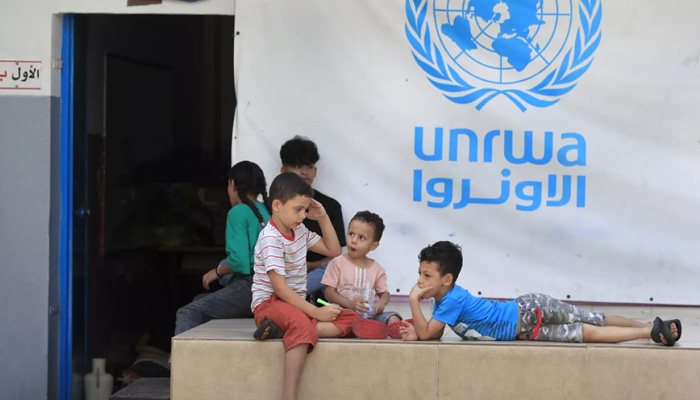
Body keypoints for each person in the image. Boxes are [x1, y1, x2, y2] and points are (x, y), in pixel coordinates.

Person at [132, 161, 271, 377]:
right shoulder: (268, 211)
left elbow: (239, 261)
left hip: (251, 289)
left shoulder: (238, 212)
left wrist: (216, 272)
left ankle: (178, 367)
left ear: (232, 184)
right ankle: (198, 365)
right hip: (270, 289)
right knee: (200, 302)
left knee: (188, 312)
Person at [399, 241, 682, 347]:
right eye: (420, 274)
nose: (420, 281)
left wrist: (413, 300)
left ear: (447, 279)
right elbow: (432, 334)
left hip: (529, 310)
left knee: (593, 319)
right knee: (589, 333)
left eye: (426, 276)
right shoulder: (444, 301)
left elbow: (426, 334)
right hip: (527, 330)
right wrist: (418, 329)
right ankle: (650, 330)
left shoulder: (452, 299)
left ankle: (648, 326)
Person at [251, 172, 359, 400]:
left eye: (305, 210)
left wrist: (323, 217)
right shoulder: (270, 238)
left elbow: (333, 250)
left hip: (294, 305)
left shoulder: (299, 231)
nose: (303, 216)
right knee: (302, 327)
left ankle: (283, 328)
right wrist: (316, 312)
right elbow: (280, 289)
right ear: (277, 205)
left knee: (350, 319)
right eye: (298, 209)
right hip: (269, 304)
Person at [279, 136, 345, 297]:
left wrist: (309, 266)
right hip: (282, 272)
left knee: (335, 266)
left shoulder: (330, 206)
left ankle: (289, 295)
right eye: (297, 166)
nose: (304, 172)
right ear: (284, 171)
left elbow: (335, 255)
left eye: (309, 166)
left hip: (317, 275)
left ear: (315, 171)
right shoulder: (273, 206)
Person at [321, 211, 403, 339]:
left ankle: (392, 329)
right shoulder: (337, 263)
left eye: (361, 237)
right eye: (351, 234)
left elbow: (385, 295)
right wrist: (350, 304)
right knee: (347, 320)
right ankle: (367, 329)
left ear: (373, 246)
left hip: (368, 316)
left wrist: (380, 305)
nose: (353, 241)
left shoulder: (377, 269)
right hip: (343, 313)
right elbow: (329, 293)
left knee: (393, 316)